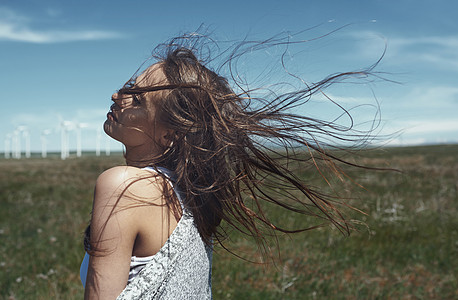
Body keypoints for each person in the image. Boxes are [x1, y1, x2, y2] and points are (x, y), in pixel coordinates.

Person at [81, 32, 381, 299]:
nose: (117, 96)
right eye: (129, 87)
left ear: (170, 133)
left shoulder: (125, 186)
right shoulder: (192, 195)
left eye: (138, 99)